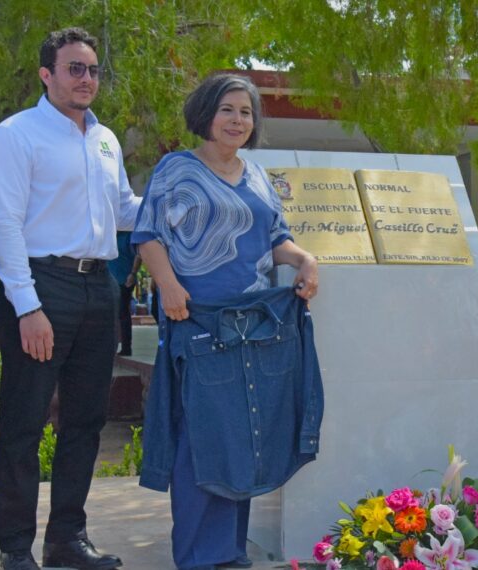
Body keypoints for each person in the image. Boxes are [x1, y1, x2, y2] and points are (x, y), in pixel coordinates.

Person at [133, 73, 319, 570]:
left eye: (246, 112)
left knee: (245, 435)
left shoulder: (258, 176)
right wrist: (168, 285)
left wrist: (304, 260)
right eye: (228, 110)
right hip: (197, 322)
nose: (238, 120)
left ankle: (230, 552)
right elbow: (148, 234)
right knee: (202, 439)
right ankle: (198, 555)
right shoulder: (177, 169)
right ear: (206, 114)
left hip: (255, 326)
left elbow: (275, 237)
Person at [0, 27, 140, 570]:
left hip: (99, 287)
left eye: (93, 70)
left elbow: (125, 212)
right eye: (75, 68)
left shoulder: (105, 139)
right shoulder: (15, 134)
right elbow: (3, 223)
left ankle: (66, 541)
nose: (87, 79)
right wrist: (26, 306)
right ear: (46, 74)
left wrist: (184, 199)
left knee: (86, 422)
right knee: (24, 423)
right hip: (39, 284)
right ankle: (14, 549)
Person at [108, 231, 141, 356]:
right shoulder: (109, 235)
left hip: (124, 280)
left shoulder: (128, 235)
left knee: (122, 313)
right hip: (109, 280)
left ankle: (126, 348)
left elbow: (139, 255)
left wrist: (133, 274)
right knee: (112, 315)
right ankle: (114, 346)